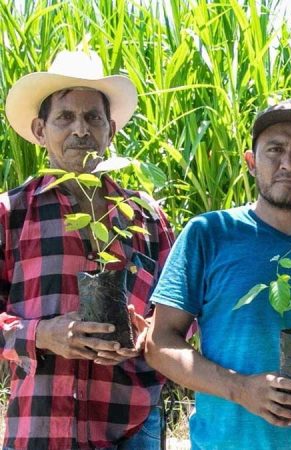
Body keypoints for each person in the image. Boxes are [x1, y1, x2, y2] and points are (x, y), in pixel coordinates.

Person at [144, 99, 291, 449]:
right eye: (275, 150)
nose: (289, 163)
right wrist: (240, 389)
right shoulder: (209, 234)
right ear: (252, 162)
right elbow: (159, 343)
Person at [0, 50, 174, 449]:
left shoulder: (144, 217)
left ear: (110, 130)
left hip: (131, 426)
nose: (81, 129)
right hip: (42, 426)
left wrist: (146, 335)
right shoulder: (12, 214)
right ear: (40, 129)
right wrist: (42, 334)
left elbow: (181, 312)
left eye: (93, 117)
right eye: (65, 117)